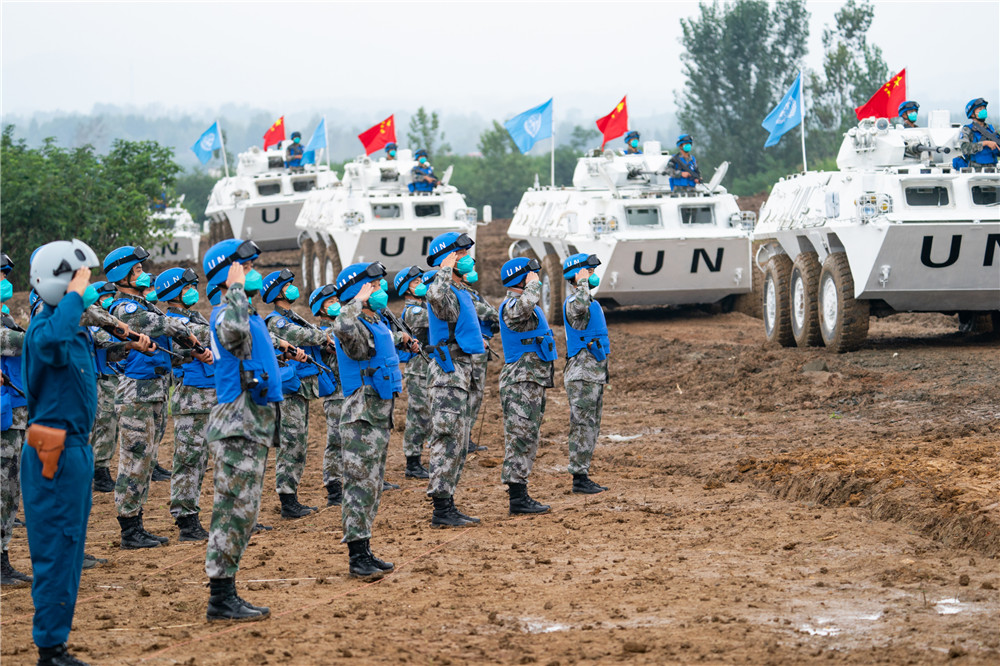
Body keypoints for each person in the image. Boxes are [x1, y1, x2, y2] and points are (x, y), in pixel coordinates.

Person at [22, 239, 101, 665]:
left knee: (70, 549)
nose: (84, 287)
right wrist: (73, 295)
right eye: (77, 278)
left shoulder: (69, 327)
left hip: (74, 452)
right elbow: (51, 340)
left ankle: (56, 643)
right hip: (53, 453)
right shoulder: (45, 327)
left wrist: (75, 297)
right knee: (56, 548)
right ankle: (49, 649)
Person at [202, 238, 290, 621]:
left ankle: (227, 591)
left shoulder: (247, 313)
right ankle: (220, 597)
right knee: (232, 510)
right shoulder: (227, 313)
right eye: (245, 267)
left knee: (245, 510)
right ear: (228, 274)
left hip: (251, 420)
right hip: (235, 423)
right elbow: (235, 336)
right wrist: (235, 288)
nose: (254, 272)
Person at [103, 245, 205, 549]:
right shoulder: (125, 309)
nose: (142, 274)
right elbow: (156, 326)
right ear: (122, 275)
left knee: (145, 462)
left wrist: (191, 352)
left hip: (155, 393)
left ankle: (136, 524)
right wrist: (184, 329)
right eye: (136, 270)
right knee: (134, 461)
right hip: (138, 395)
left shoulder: (144, 305)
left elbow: (164, 355)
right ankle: (129, 529)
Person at [331, 261, 416, 577]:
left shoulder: (375, 321)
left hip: (378, 414)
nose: (381, 291)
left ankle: (365, 549)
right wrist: (353, 301)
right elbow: (342, 327)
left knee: (372, 486)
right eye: (374, 287)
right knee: (358, 485)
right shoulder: (350, 322)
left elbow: (383, 344)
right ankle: (356, 557)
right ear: (358, 292)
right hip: (361, 416)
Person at [423, 233, 485, 527]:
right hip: (448, 373)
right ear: (446, 259)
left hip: (462, 370)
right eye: (459, 254)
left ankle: (448, 504)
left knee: (458, 441)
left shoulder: (461, 290)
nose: (467, 258)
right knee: (447, 438)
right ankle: (441, 510)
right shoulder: (439, 288)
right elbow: (438, 301)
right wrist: (444, 268)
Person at [262, 269, 332, 518]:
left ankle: (291, 496)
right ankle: (287, 500)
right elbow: (304, 335)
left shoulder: (292, 316)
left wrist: (320, 338)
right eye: (288, 285)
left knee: (299, 443)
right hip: (289, 390)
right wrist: (323, 336)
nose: (293, 288)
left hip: (300, 388)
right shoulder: (276, 321)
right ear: (277, 291)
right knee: (291, 444)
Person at [157, 268, 215, 542]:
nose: (194, 290)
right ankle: (185, 520)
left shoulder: (193, 317)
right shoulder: (174, 321)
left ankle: (195, 514)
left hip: (209, 395)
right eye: (188, 286)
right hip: (192, 398)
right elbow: (209, 335)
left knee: (202, 461)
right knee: (189, 460)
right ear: (174, 292)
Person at [498, 257, 557, 514]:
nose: (536, 277)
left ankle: (521, 494)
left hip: (531, 379)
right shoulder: (512, 305)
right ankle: (517, 499)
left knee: (528, 436)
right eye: (531, 275)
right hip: (520, 380)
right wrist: (533, 286)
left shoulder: (523, 304)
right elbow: (525, 306)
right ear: (520, 279)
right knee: (520, 438)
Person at [561, 254, 611, 494]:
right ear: (578, 275)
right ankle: (579, 479)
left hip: (593, 374)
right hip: (582, 375)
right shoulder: (574, 301)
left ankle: (583, 475)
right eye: (588, 271)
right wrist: (581, 282)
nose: (593, 275)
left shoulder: (590, 301)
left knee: (591, 426)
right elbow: (579, 307)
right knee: (582, 426)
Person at [1, 253, 32, 587]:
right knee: (3, 489)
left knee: (9, 488)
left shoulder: (5, 316)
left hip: (16, 411)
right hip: (4, 416)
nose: (5, 281)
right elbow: (25, 344)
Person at [308, 285, 346, 506]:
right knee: (336, 441)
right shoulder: (323, 333)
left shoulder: (338, 327)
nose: (335, 304)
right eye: (329, 302)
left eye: (336, 300)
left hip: (349, 392)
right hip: (336, 395)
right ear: (319, 309)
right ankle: (333, 487)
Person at [394, 266, 431, 479]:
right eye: (416, 283)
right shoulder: (413, 311)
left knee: (428, 413)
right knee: (419, 414)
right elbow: (433, 320)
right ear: (406, 290)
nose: (422, 285)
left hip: (426, 367)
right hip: (418, 370)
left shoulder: (422, 306)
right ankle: (412, 461)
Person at [89, 281, 122, 493]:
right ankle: (100, 471)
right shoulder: (95, 324)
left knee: (112, 426)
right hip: (102, 380)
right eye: (105, 296)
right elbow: (104, 341)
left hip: (113, 377)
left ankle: (102, 468)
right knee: (105, 425)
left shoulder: (110, 322)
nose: (109, 299)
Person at [460, 270, 496, 455]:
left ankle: (467, 437)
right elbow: (486, 312)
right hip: (473, 349)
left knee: (477, 395)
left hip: (481, 349)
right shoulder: (464, 295)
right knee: (471, 394)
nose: (472, 273)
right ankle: (463, 439)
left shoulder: (473, 294)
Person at [956, 98, 999, 170]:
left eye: (984, 108)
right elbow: (964, 148)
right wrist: (985, 143)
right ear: (972, 114)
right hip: (975, 171)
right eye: (980, 109)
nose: (983, 110)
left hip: (992, 170)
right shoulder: (967, 129)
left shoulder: (991, 129)